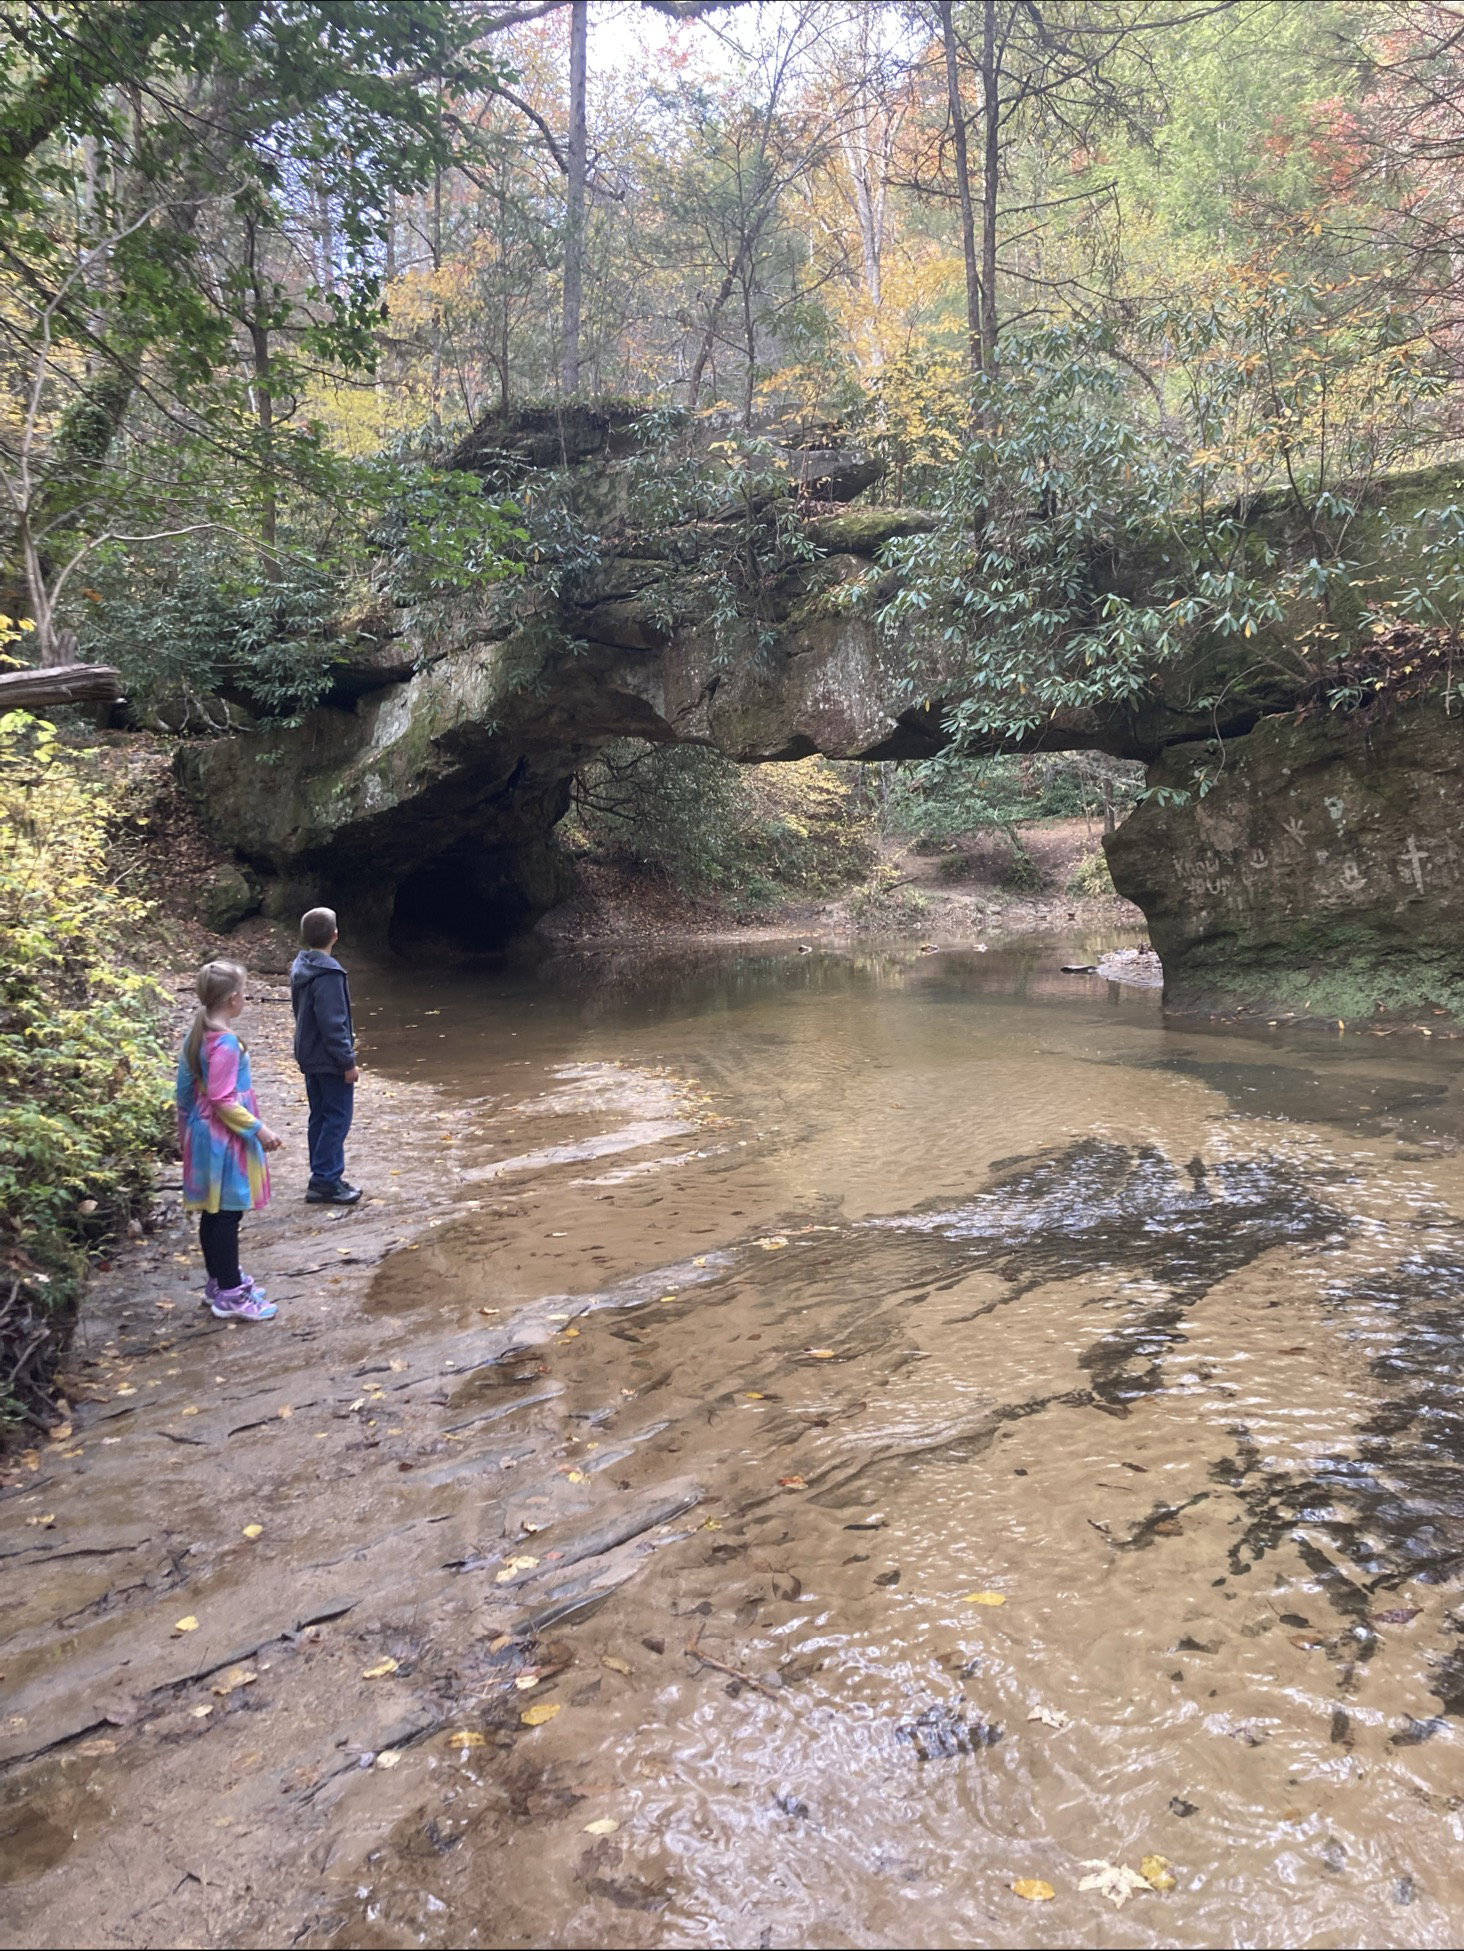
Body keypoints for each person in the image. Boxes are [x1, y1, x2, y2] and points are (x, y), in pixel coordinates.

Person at [177, 959, 283, 1323]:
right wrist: (260, 1129)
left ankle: (220, 1282)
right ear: (234, 999)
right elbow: (223, 1099)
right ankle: (232, 1295)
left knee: (214, 1211)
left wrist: (185, 1136)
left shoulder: (198, 1033)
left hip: (203, 1134)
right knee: (227, 1215)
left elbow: (184, 1092)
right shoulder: (226, 1044)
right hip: (225, 1138)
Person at [290, 906, 363, 1205]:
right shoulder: (328, 974)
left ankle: (324, 1174)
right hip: (330, 1060)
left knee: (320, 1116)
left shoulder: (302, 966)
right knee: (337, 1118)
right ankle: (325, 1180)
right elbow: (334, 1024)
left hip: (310, 1056)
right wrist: (347, 1062)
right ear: (335, 935)